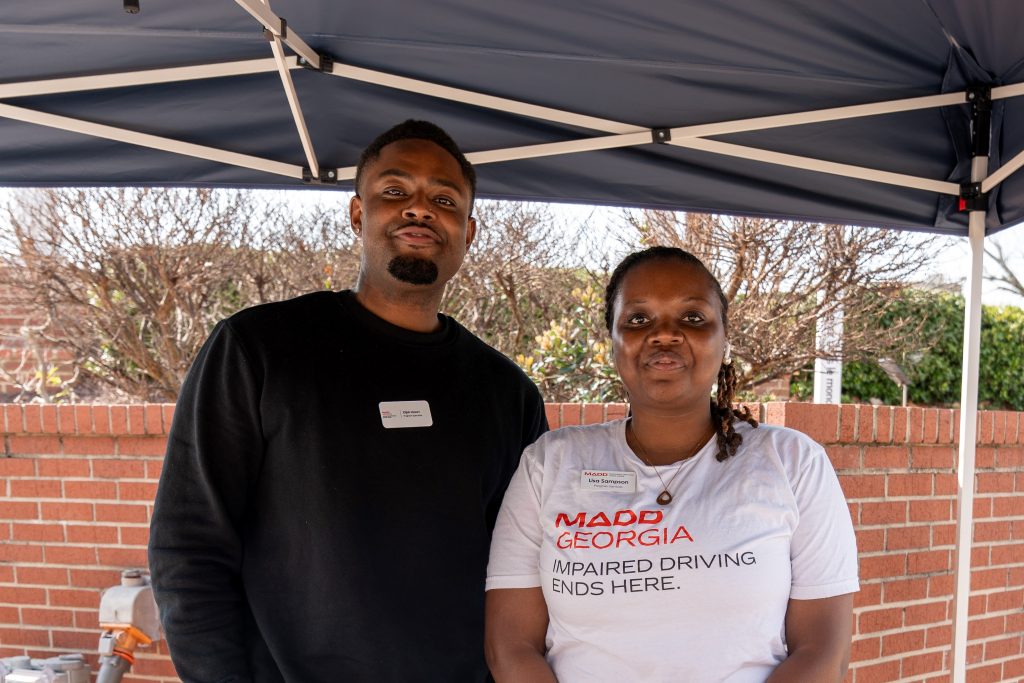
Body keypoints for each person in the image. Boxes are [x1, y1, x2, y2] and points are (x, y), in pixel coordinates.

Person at [148, 120, 548, 683]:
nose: (419, 209)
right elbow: (189, 549)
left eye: (444, 199)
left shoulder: (507, 393)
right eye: (394, 191)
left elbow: (520, 574)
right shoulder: (258, 350)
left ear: (468, 230)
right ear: (358, 214)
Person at [485, 246, 858, 682]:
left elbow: (822, 652)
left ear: (724, 338)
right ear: (614, 341)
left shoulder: (793, 463)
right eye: (638, 319)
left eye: (693, 318)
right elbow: (510, 646)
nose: (664, 334)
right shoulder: (549, 464)